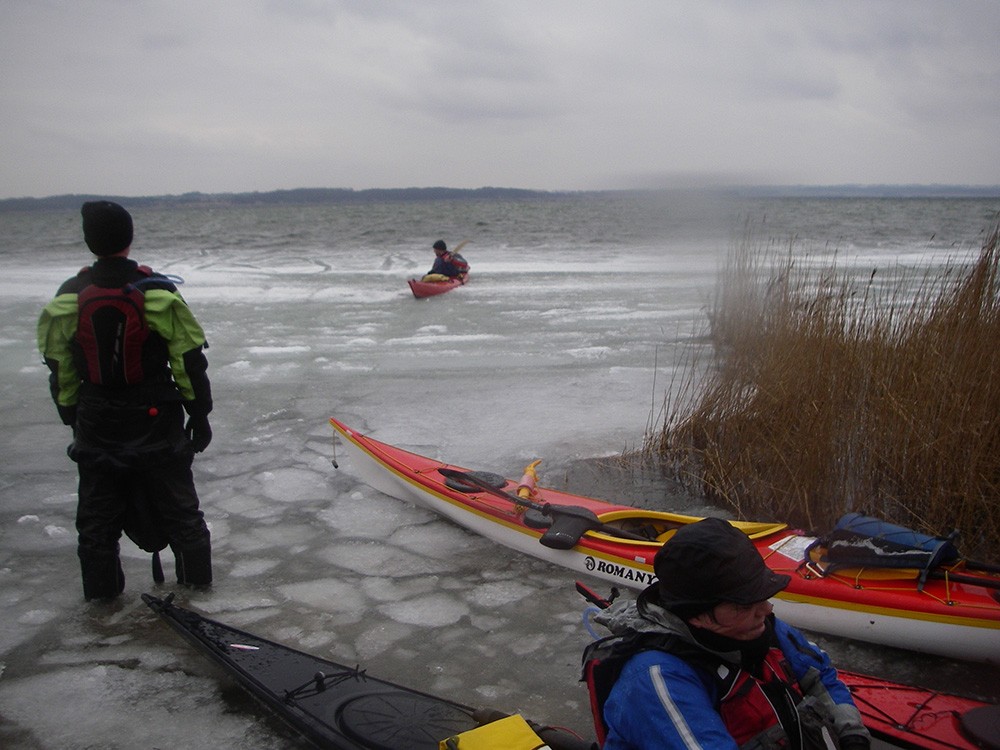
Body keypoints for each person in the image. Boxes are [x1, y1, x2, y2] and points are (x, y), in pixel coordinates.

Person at [37, 200, 214, 601]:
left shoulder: (68, 298)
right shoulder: (159, 295)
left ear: (88, 242)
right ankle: (199, 600)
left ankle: (102, 609)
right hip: (156, 419)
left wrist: (71, 412)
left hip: (97, 420)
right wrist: (199, 415)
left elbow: (59, 365)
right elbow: (188, 360)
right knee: (183, 515)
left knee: (97, 525)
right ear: (130, 239)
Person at [583, 517, 871, 750]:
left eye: (763, 595)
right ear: (698, 615)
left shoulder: (759, 626)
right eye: (745, 603)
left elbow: (820, 676)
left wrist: (852, 735)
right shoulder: (655, 679)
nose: (767, 609)